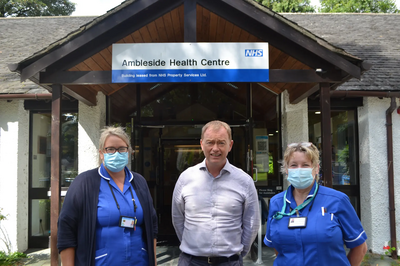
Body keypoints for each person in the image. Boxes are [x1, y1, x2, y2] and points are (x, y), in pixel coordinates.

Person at [57, 126, 158, 265]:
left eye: (122, 149)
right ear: (101, 153)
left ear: (128, 152)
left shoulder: (139, 181)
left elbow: (152, 225)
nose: (116, 153)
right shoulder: (84, 183)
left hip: (139, 261)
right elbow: (66, 229)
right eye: (110, 149)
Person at [172, 120, 260, 266]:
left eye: (221, 143)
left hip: (229, 262)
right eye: (210, 142)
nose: (215, 148)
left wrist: (237, 253)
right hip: (191, 261)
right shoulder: (186, 178)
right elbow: (177, 218)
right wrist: (192, 247)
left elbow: (251, 223)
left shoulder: (244, 181)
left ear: (230, 145)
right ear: (201, 144)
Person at [264, 142, 367, 266]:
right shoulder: (277, 203)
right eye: (294, 165)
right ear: (286, 170)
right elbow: (278, 249)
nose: (299, 170)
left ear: (316, 168)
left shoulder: (337, 200)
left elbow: (360, 247)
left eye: (305, 165)